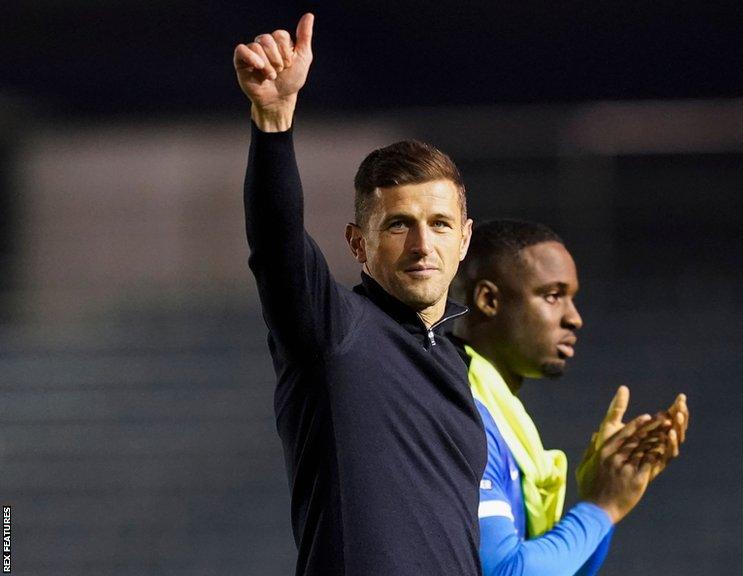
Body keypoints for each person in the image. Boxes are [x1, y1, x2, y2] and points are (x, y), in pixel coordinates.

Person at [234, 14, 486, 575]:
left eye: (440, 224)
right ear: (357, 243)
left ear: (465, 240)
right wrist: (273, 122)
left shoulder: (457, 362)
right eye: (399, 224)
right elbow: (277, 248)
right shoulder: (334, 330)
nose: (423, 244)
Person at [450, 220, 689, 576]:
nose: (574, 318)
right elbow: (508, 572)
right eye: (552, 295)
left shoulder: (503, 414)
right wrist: (600, 507)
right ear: (489, 300)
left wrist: (600, 500)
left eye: (571, 297)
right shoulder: (463, 412)